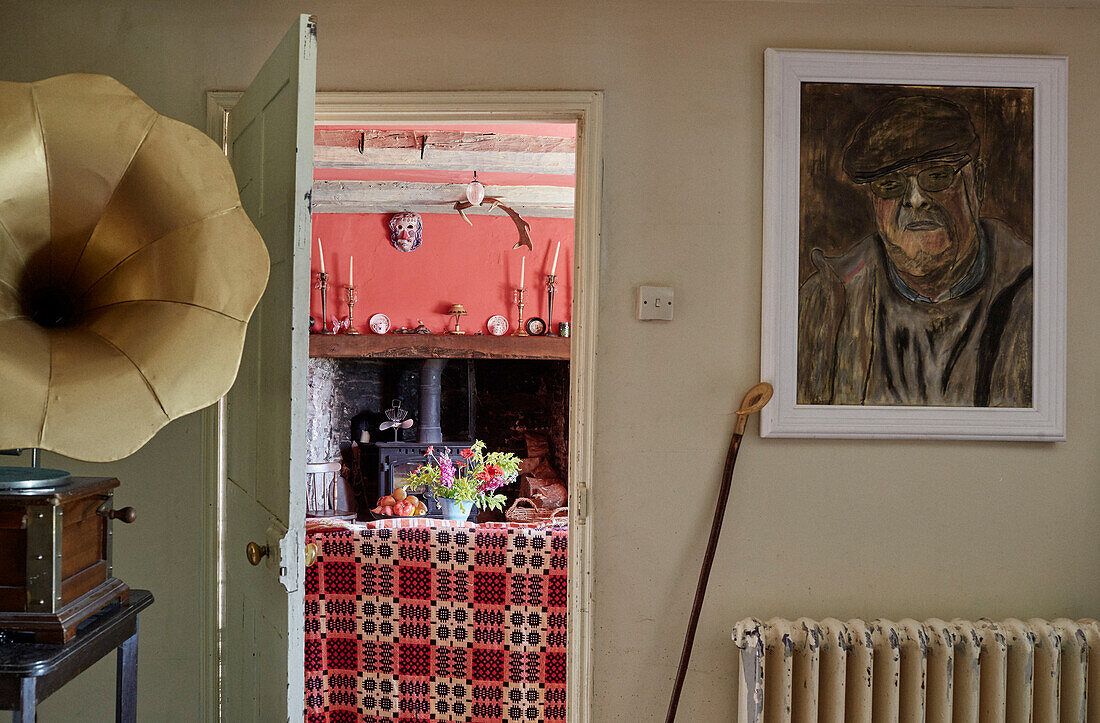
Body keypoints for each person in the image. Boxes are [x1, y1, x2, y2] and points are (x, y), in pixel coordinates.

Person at [798, 95, 1033, 407]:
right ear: (873, 202)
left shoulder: (1035, 296)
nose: (916, 199)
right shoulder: (827, 300)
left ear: (978, 183)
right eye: (890, 185)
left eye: (937, 176)